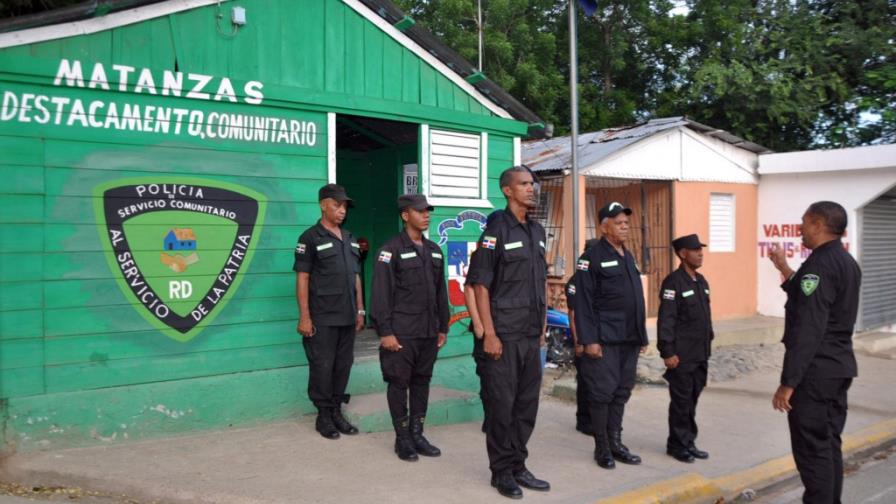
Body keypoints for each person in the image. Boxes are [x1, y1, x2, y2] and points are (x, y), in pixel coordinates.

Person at [769, 201, 861, 504]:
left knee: (812, 451)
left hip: (816, 373)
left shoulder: (819, 265)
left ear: (818, 224)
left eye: (805, 222)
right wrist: (783, 267)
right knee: (828, 445)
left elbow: (809, 328)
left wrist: (789, 382)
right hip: (837, 368)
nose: (801, 228)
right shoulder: (845, 262)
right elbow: (808, 296)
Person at [467, 166, 550, 499]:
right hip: (503, 336)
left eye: (533, 184)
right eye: (524, 184)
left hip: (530, 335)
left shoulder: (537, 231)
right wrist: (488, 333)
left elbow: (541, 282)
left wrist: (542, 327)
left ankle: (518, 464)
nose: (531, 189)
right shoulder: (495, 230)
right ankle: (501, 472)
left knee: (526, 406)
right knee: (501, 408)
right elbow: (480, 285)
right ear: (507, 190)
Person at [370, 194, 449, 462]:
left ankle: (417, 434)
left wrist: (443, 326)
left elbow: (440, 292)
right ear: (405, 215)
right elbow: (380, 294)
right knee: (398, 383)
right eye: (420, 211)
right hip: (401, 332)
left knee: (421, 382)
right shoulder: (389, 250)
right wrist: (385, 332)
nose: (426, 215)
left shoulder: (434, 250)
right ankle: (402, 438)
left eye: (428, 211)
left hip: (428, 331)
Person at [573, 201, 647, 470]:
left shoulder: (628, 255)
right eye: (619, 223)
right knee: (602, 393)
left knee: (622, 391)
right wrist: (589, 340)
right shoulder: (590, 258)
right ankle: (602, 447)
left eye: (627, 223)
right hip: (604, 339)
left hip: (629, 338)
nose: (625, 227)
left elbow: (636, 299)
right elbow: (582, 303)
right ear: (604, 227)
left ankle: (616, 443)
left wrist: (642, 336)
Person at [294, 184, 365, 440]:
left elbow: (356, 276)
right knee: (322, 366)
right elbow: (303, 278)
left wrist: (360, 310)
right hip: (322, 317)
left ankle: (336, 410)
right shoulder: (310, 238)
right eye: (337, 205)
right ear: (323, 205)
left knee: (343, 365)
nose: (342, 210)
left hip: (347, 315)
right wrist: (305, 316)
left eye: (345, 206)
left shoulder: (350, 238)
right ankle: (323, 415)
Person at [657, 234, 713, 463]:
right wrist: (668, 352)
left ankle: (689, 441)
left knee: (692, 400)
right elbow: (666, 320)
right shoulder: (673, 282)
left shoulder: (701, 281)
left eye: (701, 250)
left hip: (700, 354)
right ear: (682, 254)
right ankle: (677, 445)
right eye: (695, 250)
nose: (700, 254)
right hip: (681, 356)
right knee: (681, 402)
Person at [567, 238, 600, 436]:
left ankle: (597, 420)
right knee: (586, 382)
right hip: (583, 338)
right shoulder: (576, 281)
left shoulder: (597, 278)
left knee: (598, 383)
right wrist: (578, 341)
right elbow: (572, 313)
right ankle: (583, 420)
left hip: (598, 338)